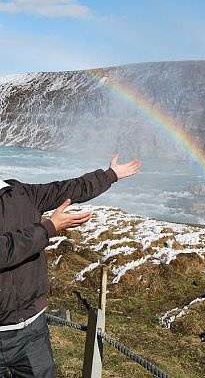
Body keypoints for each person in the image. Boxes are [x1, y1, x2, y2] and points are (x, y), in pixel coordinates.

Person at [0, 153, 141, 377]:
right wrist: (48, 228)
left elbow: (67, 188)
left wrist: (110, 175)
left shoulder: (21, 193)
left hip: (31, 328)